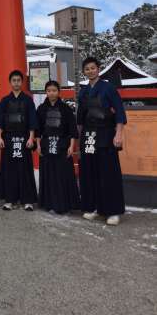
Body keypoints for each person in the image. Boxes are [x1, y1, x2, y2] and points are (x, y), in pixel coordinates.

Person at [77, 57, 126, 226]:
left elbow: (119, 112)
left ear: (98, 69)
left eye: (93, 68)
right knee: (89, 173)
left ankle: (112, 211)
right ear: (84, 72)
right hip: (88, 136)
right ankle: (92, 207)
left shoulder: (108, 88)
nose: (90, 71)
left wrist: (118, 134)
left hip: (106, 134)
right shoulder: (83, 92)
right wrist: (80, 140)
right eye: (87, 69)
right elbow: (80, 120)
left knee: (108, 173)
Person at [36, 80, 80, 214]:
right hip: (46, 145)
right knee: (48, 175)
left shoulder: (66, 109)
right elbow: (38, 130)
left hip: (62, 145)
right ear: (46, 92)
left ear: (58, 92)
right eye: (49, 91)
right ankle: (48, 203)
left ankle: (64, 204)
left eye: (54, 90)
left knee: (62, 175)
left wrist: (71, 146)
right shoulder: (41, 109)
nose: (51, 93)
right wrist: (38, 145)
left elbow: (72, 130)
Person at [0, 70, 38, 211]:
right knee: (9, 170)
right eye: (13, 80)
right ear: (10, 82)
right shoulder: (4, 101)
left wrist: (31, 138)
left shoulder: (28, 100)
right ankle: (10, 200)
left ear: (22, 82)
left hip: (24, 139)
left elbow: (32, 121)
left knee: (25, 170)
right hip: (8, 139)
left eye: (18, 80)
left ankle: (27, 200)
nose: (16, 83)